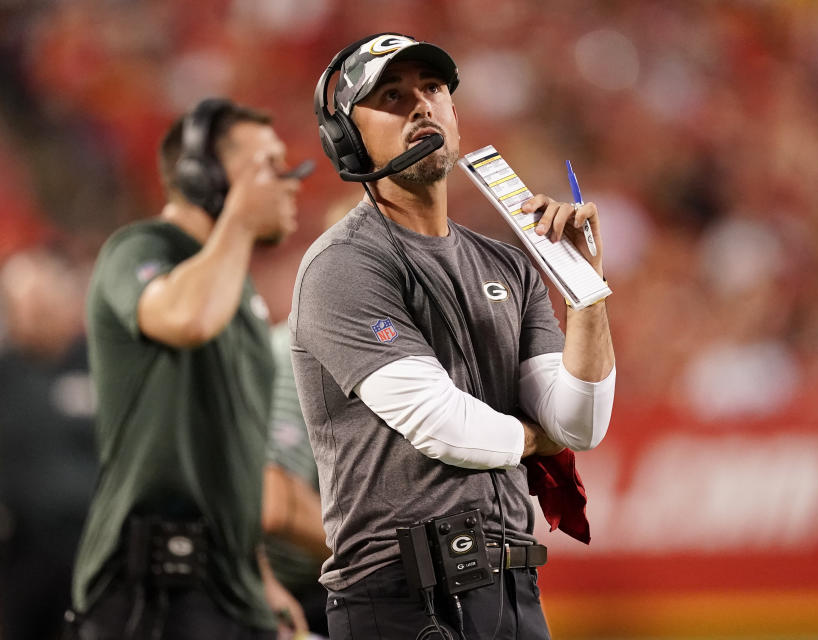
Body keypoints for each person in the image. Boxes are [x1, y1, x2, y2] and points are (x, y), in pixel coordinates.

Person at [290, 33, 616, 639]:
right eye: (391, 95)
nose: (421, 106)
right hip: (402, 597)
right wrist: (536, 439)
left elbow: (580, 423)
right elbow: (443, 427)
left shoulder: (510, 264)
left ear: (455, 115)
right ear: (347, 136)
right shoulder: (343, 264)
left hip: (514, 586)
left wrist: (586, 290)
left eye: (433, 89)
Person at [67, 98, 309, 639]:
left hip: (229, 588)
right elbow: (186, 318)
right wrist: (242, 219)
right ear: (207, 176)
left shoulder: (236, 290)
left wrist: (257, 574)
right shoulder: (140, 248)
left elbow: (234, 457)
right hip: (153, 588)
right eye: (269, 166)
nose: (291, 180)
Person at [0, 248, 97, 640]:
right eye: (27, 303)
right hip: (24, 555)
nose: (37, 313)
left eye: (46, 301)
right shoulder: (5, 376)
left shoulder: (99, 364)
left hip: (95, 550)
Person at [262, 324, 331, 637]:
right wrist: (390, 558)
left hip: (320, 584)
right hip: (277, 596)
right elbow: (275, 502)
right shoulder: (302, 346)